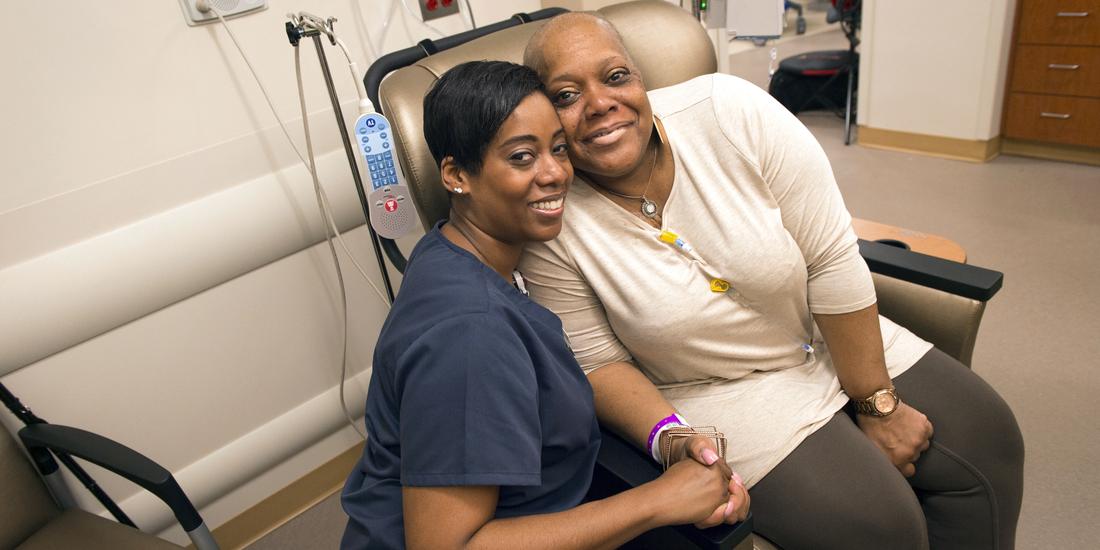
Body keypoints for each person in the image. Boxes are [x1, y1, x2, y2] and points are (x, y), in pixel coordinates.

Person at [518, 13, 1025, 550]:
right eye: (568, 95)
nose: (600, 103)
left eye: (616, 76)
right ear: (544, 117)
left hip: (820, 330)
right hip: (715, 386)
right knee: (881, 526)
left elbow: (829, 256)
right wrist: (672, 439)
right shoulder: (549, 213)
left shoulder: (729, 111)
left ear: (641, 78)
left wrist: (878, 402)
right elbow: (599, 364)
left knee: (991, 439)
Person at [339, 60, 748, 550]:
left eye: (557, 149)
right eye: (521, 157)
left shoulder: (457, 249)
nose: (555, 173)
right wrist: (655, 502)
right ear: (455, 174)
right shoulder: (470, 334)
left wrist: (669, 437)